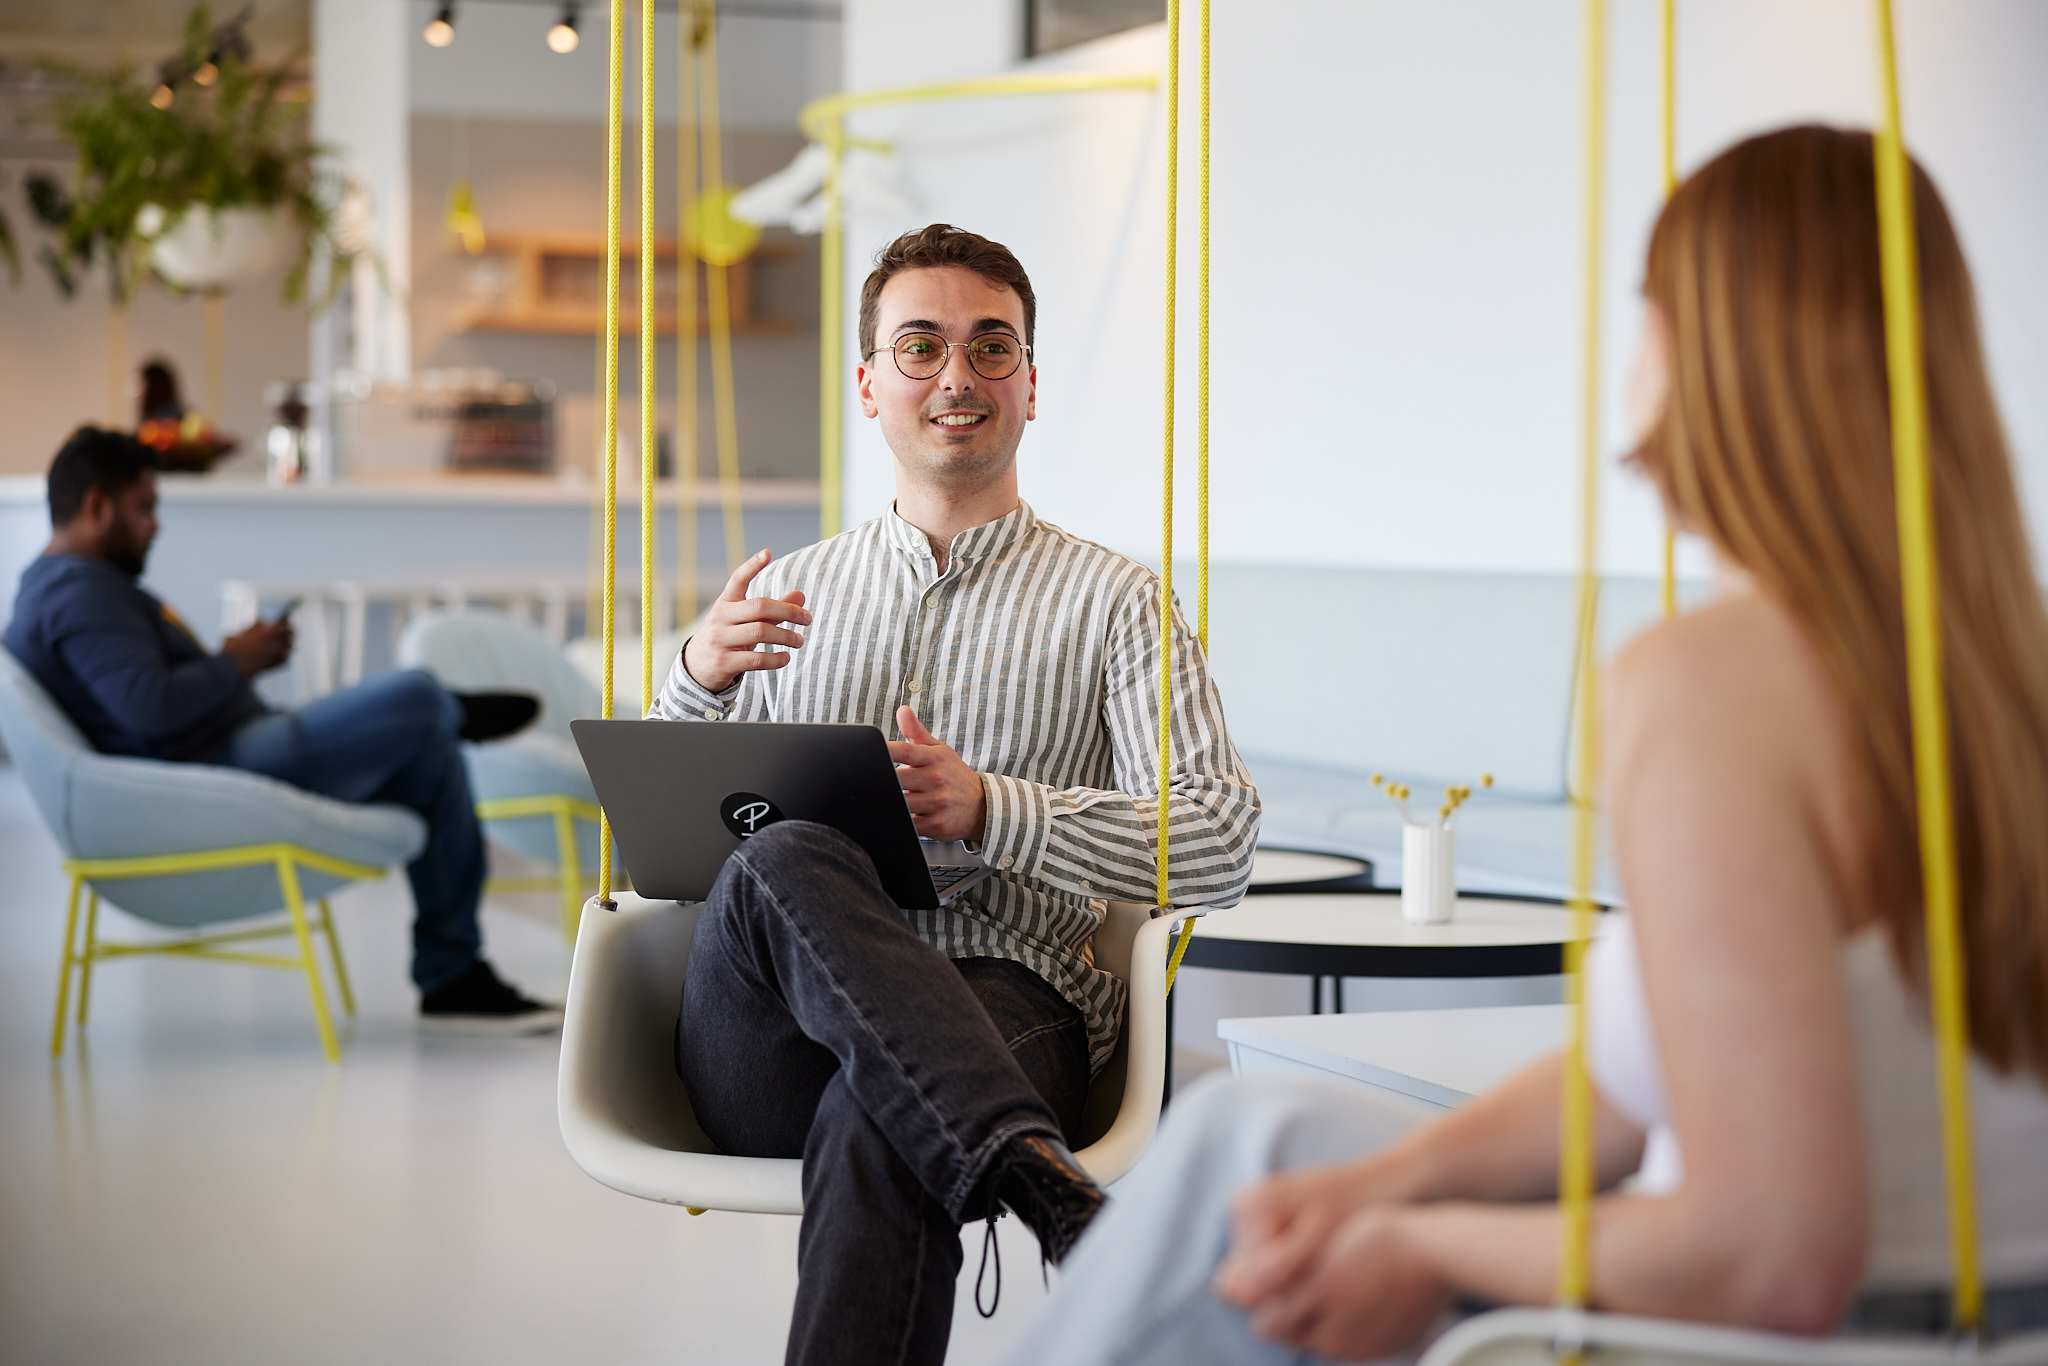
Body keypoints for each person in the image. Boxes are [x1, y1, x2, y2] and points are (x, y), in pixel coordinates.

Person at [998, 126, 2048, 1366]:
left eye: (1644, 309)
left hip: (1800, 1331)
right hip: (1978, 1306)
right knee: (1252, 1140)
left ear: (1709, 348)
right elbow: (1623, 1090)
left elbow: (1774, 1253)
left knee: (1233, 1201)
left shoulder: (1711, 685)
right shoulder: (1992, 667)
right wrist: (1387, 1181)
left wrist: (1425, 1246)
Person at [645, 223, 1261, 1366]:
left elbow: (1221, 839)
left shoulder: (1117, 603)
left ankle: (1023, 1175)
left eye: (990, 348)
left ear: (1029, 385)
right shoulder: (779, 594)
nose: (956, 377)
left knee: (882, 1113)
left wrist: (991, 809)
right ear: (870, 384)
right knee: (778, 856)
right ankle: (1042, 1185)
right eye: (920, 346)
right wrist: (693, 683)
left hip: (1004, 993)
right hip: (767, 1038)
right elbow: (662, 849)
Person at [5, 427, 560, 1034]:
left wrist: (231, 655)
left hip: (224, 752)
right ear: (96, 506)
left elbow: (139, 694)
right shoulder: (77, 593)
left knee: (435, 766)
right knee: (414, 692)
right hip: (215, 773)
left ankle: (453, 977)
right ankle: (449, 711)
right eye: (145, 508)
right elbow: (150, 709)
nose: (155, 526)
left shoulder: (74, 591)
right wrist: (238, 663)